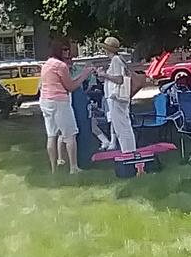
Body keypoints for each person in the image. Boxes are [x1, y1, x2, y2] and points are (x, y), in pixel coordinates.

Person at [39, 39, 94, 174]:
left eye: (67, 49)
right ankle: (73, 167)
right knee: (70, 134)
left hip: (45, 101)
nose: (67, 52)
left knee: (51, 135)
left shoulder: (46, 64)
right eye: (64, 49)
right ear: (58, 50)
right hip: (59, 102)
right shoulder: (61, 66)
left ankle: (54, 169)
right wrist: (84, 75)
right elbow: (70, 87)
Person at [96, 36, 137, 153]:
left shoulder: (115, 60)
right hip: (118, 97)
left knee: (121, 127)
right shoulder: (118, 60)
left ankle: (127, 151)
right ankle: (130, 150)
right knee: (123, 125)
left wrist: (104, 75)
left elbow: (119, 79)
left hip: (116, 97)